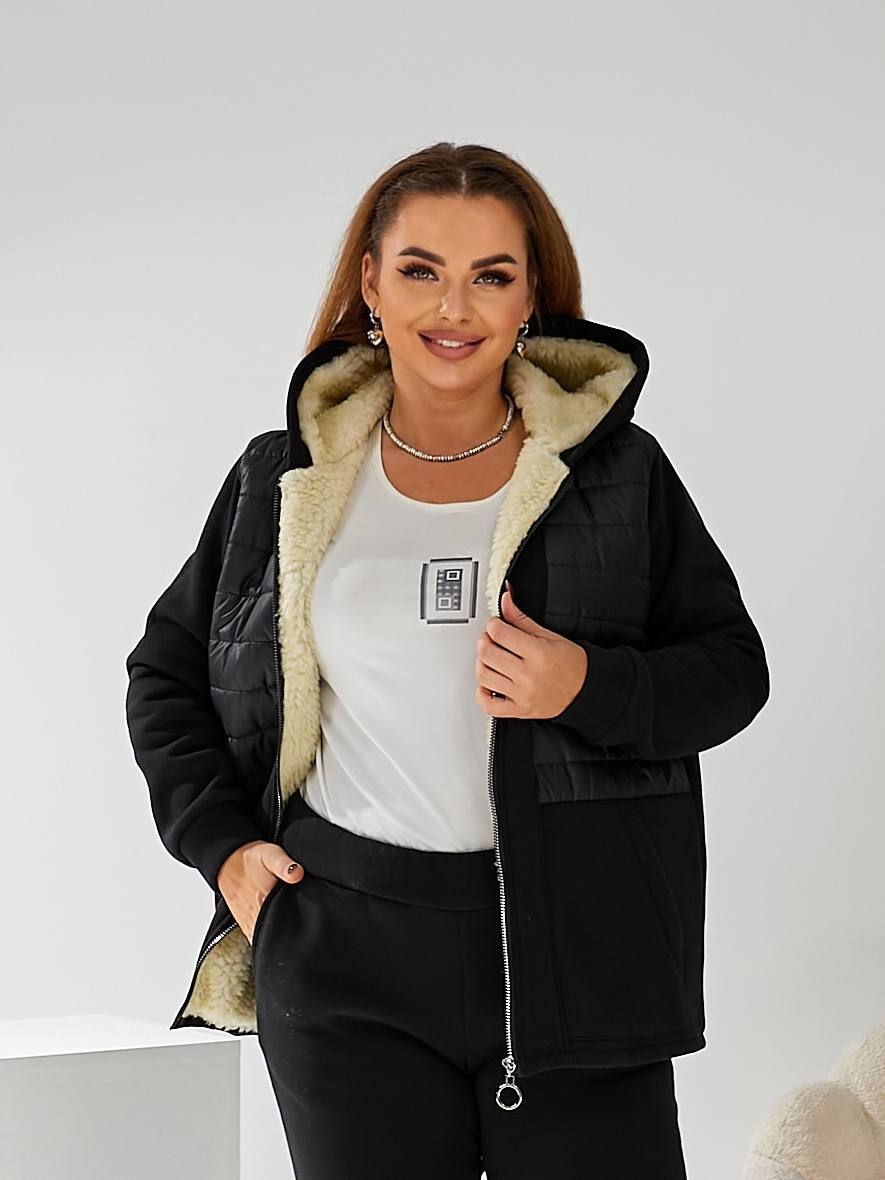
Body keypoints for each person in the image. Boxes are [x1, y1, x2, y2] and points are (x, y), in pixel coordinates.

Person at [125, 141, 770, 1179]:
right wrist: (224, 847)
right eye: (420, 269)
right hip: (343, 953)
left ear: (532, 299)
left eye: (491, 276)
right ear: (370, 284)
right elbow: (165, 676)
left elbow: (733, 671)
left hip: (576, 951)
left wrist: (589, 685)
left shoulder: (618, 475)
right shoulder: (282, 478)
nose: (453, 308)